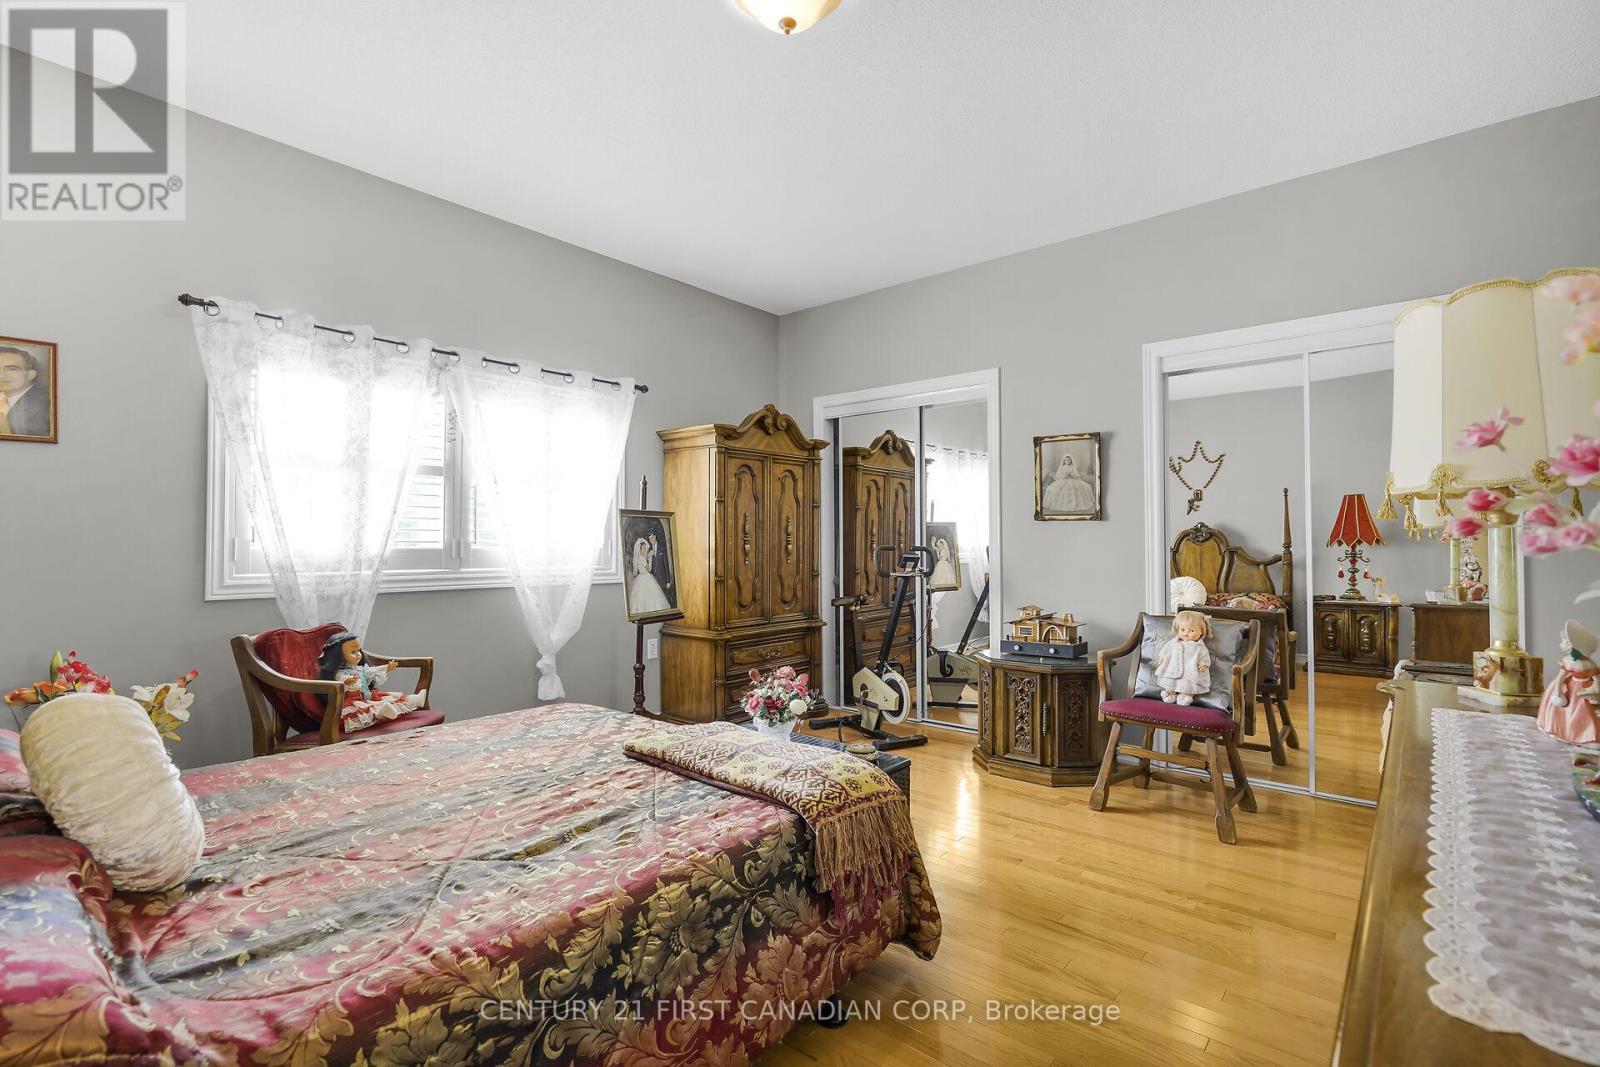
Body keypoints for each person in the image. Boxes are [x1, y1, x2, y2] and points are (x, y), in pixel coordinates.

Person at [0, 346, 51, 437]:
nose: (1, 375)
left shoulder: (45, 403)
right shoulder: (4, 399)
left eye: (11, 369)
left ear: (31, 374)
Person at [628, 535, 673, 615]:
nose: (645, 549)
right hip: (645, 578)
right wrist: (650, 559)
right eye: (644, 548)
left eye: (645, 548)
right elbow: (649, 569)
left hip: (644, 577)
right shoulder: (641, 558)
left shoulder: (641, 557)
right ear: (640, 549)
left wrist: (648, 557)